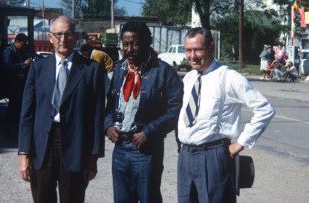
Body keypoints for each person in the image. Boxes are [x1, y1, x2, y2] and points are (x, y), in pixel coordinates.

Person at [177, 27, 275, 203]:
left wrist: (241, 143)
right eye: (188, 50)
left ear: (211, 48)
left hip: (213, 156)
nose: (192, 56)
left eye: (198, 49)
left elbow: (264, 109)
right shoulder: (190, 78)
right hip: (186, 156)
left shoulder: (228, 77)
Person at [18, 16, 105, 203]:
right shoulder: (37, 68)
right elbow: (27, 113)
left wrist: (93, 158)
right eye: (58, 34)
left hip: (76, 148)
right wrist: (24, 154)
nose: (63, 39)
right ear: (50, 37)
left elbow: (97, 117)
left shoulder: (91, 70)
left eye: (67, 34)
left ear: (76, 36)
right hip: (42, 147)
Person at [104, 21, 183, 203]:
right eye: (125, 44)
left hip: (146, 151)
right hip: (120, 150)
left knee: (149, 198)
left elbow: (175, 110)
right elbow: (109, 107)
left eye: (135, 44)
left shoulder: (164, 72)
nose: (129, 49)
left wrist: (149, 131)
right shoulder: (119, 69)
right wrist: (108, 125)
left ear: (148, 43)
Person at [3, 33, 33, 140]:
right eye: (22, 44)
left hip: (20, 84)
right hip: (12, 84)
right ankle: (9, 133)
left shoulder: (20, 52)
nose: (23, 47)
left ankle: (14, 133)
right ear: (16, 42)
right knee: (13, 110)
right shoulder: (8, 51)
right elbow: (7, 66)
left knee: (18, 109)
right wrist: (23, 64)